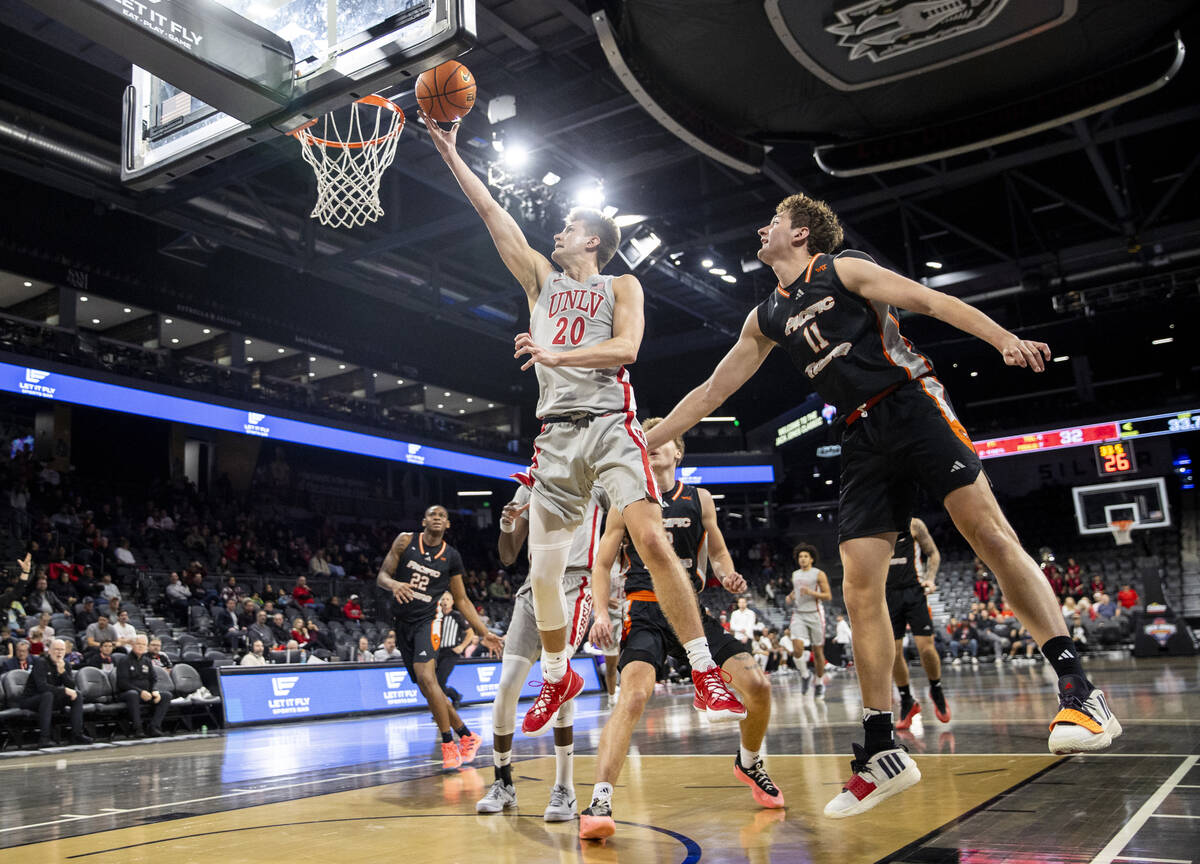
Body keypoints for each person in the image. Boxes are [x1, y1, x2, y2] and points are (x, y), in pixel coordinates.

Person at [643, 192, 1120, 818]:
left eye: (775, 221)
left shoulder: (844, 268)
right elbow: (710, 390)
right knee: (859, 586)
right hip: (861, 434)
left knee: (989, 536)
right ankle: (880, 747)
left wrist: (1002, 338)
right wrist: (636, 444)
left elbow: (930, 300)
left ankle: (1080, 690)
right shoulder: (765, 317)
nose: (762, 227)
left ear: (804, 232)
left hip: (911, 401)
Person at [425, 114, 744, 734]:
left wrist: (555, 355)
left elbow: (627, 350)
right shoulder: (539, 281)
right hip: (556, 436)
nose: (559, 231)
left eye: (570, 226)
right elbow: (494, 216)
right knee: (543, 570)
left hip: (609, 422)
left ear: (593, 241)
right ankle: (556, 672)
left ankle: (703, 668)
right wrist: (449, 153)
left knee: (651, 540)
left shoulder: (622, 284)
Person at [580, 418, 781, 842]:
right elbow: (600, 563)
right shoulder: (626, 499)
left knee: (758, 686)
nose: (651, 445)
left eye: (661, 440)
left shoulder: (700, 498)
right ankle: (599, 800)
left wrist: (728, 575)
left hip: (691, 613)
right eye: (646, 440)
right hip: (646, 612)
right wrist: (601, 613)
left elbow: (721, 553)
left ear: (678, 451)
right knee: (632, 696)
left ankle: (748, 761)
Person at [477, 479, 609, 822]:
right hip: (533, 586)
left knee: (558, 680)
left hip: (575, 584)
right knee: (505, 688)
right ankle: (502, 781)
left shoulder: (595, 478)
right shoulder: (532, 484)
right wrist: (507, 524)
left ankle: (564, 788)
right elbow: (508, 555)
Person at [375, 504, 502, 770]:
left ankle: (448, 745)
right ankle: (467, 736)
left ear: (448, 525)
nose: (437, 518)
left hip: (428, 621)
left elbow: (463, 600)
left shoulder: (451, 556)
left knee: (426, 678)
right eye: (432, 515)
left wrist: (484, 633)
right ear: (424, 520)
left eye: (442, 516)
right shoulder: (405, 541)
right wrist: (395, 584)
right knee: (427, 688)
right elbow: (382, 576)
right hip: (402, 623)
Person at [886, 517, 950, 729]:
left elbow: (933, 553)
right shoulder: (875, 523)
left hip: (914, 592)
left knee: (927, 649)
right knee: (893, 653)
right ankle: (907, 700)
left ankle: (936, 688)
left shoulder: (914, 524)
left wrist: (930, 578)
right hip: (888, 594)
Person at [21, 639, 92, 747]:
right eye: (56, 649)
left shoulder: (65, 664)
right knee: (48, 695)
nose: (59, 652)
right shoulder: (41, 663)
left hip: (51, 699)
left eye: (62, 650)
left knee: (77, 695)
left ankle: (77, 735)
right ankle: (44, 738)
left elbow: (71, 687)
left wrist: (62, 672)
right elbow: (42, 687)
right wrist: (63, 690)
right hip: (31, 700)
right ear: (49, 651)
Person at [786, 544, 832, 698]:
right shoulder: (795, 574)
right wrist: (791, 596)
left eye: (806, 556)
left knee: (818, 652)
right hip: (799, 613)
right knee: (797, 648)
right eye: (800, 556)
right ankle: (805, 675)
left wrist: (811, 592)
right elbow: (796, 591)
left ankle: (819, 682)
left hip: (815, 614)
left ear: (811, 559)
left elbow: (827, 596)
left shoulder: (818, 574)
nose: (803, 559)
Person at [116, 634, 168, 737]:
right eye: (138, 644)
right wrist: (141, 692)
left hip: (146, 693)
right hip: (127, 694)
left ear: (146, 647)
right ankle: (138, 729)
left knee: (166, 695)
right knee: (133, 694)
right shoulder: (124, 660)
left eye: (143, 644)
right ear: (133, 645)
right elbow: (123, 683)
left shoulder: (147, 661)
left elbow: (153, 679)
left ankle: (153, 727)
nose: (141, 646)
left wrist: (154, 690)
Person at [434, 592, 472, 708]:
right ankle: (455, 696)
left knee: (440, 680)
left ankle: (442, 709)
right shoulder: (436, 617)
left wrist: (462, 646)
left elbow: (470, 633)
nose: (445, 601)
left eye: (447, 599)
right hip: (437, 653)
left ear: (452, 602)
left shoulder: (457, 615)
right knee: (435, 682)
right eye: (443, 599)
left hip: (451, 652)